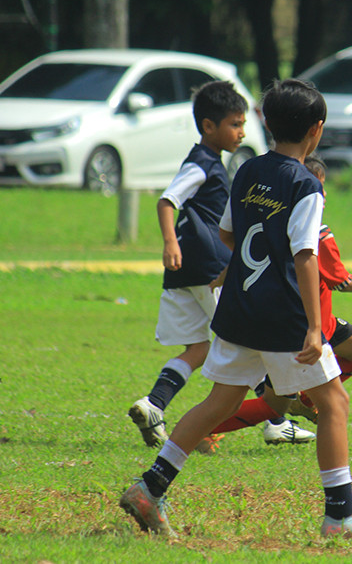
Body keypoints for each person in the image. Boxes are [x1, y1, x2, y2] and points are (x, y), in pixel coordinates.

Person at [118, 78, 352, 540]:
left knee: (218, 403)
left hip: (238, 311)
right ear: (317, 129)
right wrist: (315, 326)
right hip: (282, 317)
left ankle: (150, 487)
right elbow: (305, 254)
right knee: (334, 402)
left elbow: (229, 236)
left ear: (266, 124)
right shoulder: (306, 183)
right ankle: (340, 516)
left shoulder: (247, 171)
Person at [127, 80, 313, 452]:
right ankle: (276, 422)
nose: (241, 132)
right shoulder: (203, 164)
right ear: (208, 126)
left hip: (184, 272)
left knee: (198, 349)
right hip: (208, 268)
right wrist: (170, 242)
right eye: (234, 123)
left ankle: (154, 404)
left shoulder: (215, 164)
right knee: (250, 342)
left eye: (244, 123)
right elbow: (168, 200)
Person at [207, 153, 352, 434]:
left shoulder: (273, 225)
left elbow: (234, 242)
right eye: (319, 186)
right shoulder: (318, 234)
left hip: (306, 321)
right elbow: (341, 282)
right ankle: (204, 429)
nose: (324, 193)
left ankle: (303, 398)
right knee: (280, 405)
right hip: (304, 327)